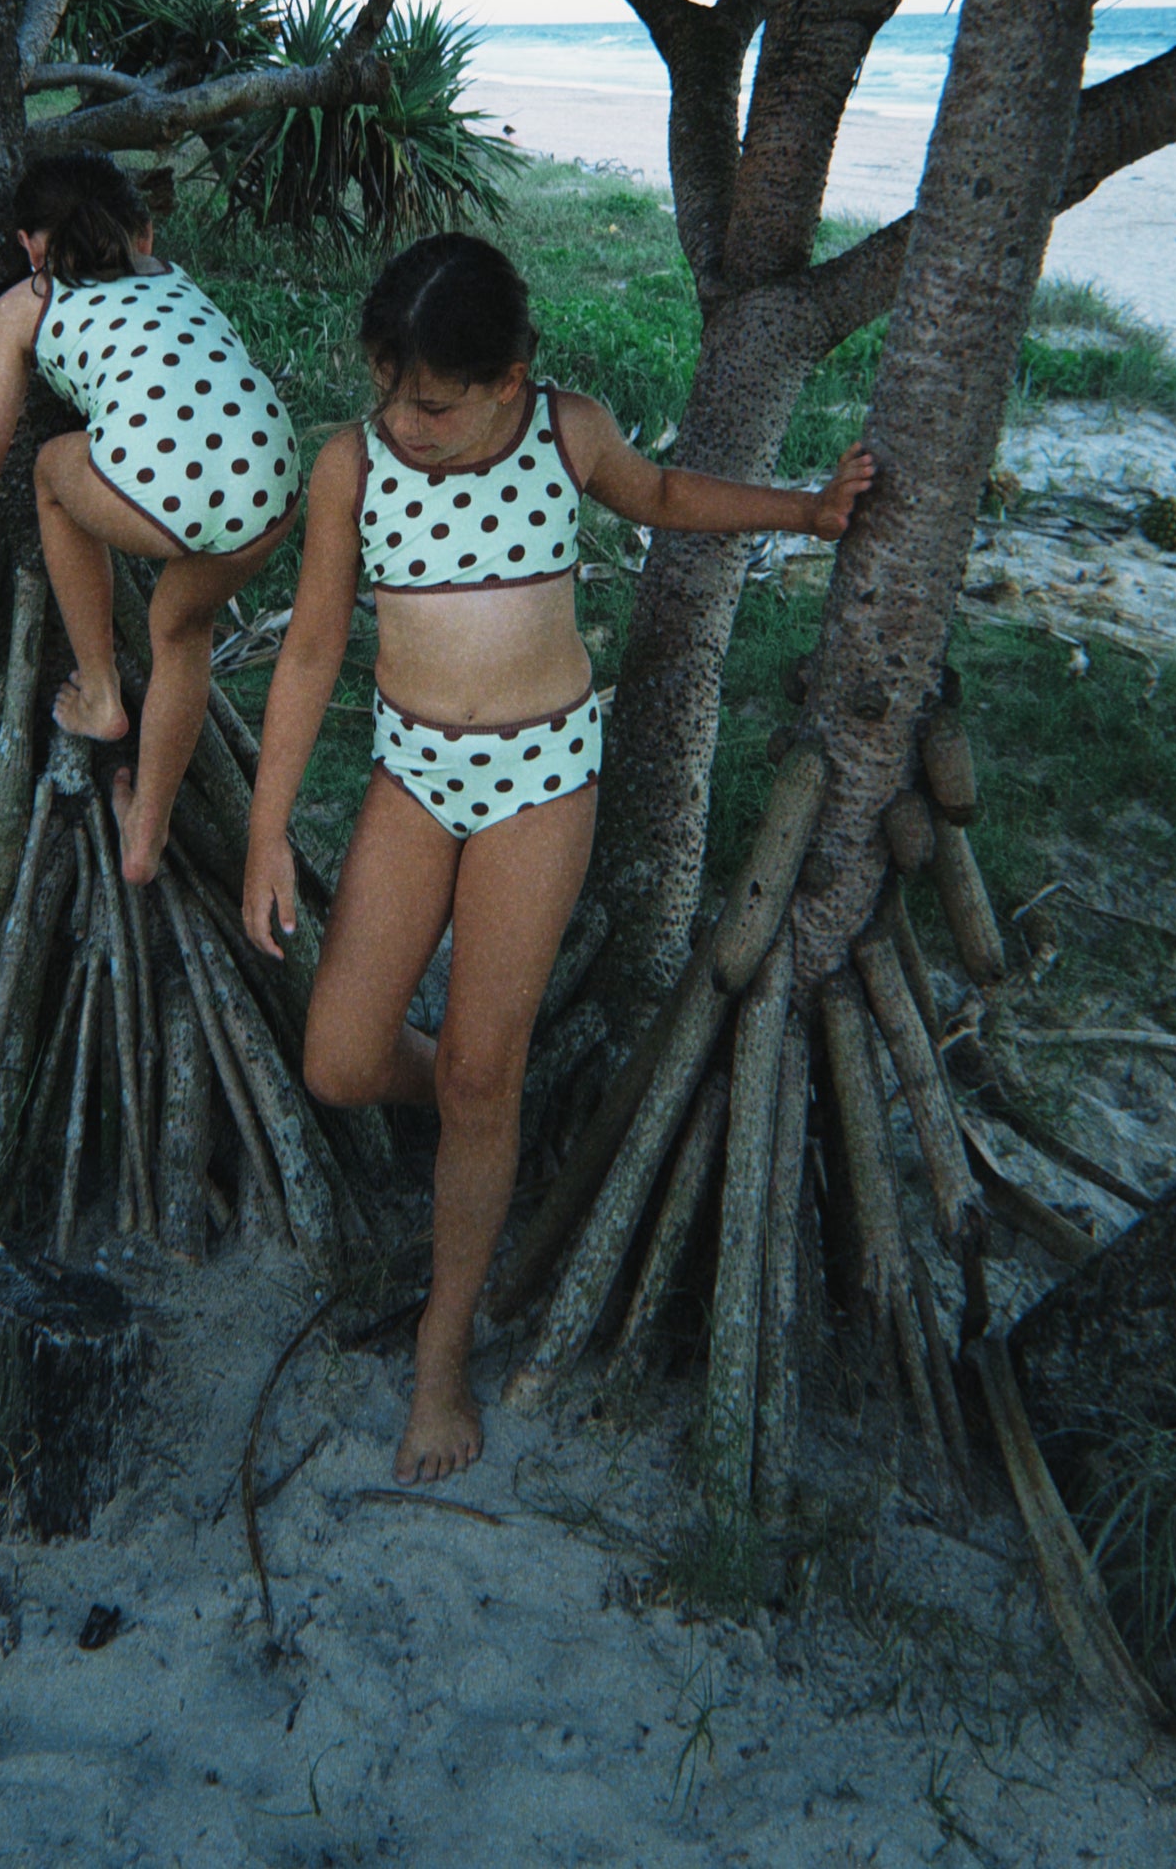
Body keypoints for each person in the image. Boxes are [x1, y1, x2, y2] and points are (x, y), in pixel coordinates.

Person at [242, 231, 873, 1485]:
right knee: (340, 1058)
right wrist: (266, 833)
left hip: (542, 781)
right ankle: (485, 1106)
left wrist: (805, 510)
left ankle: (440, 1344)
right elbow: (312, 649)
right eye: (387, 389)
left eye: (431, 401)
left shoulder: (564, 433)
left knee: (484, 1070)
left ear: (508, 379)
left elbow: (668, 499)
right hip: (411, 775)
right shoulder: (349, 465)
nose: (402, 421)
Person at [0, 150, 300, 886]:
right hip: (272, 483)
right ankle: (143, 835)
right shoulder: (168, 275)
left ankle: (98, 690)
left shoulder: (25, 303)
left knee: (52, 472)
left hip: (158, 501)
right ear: (143, 233)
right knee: (180, 632)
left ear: (29, 245)